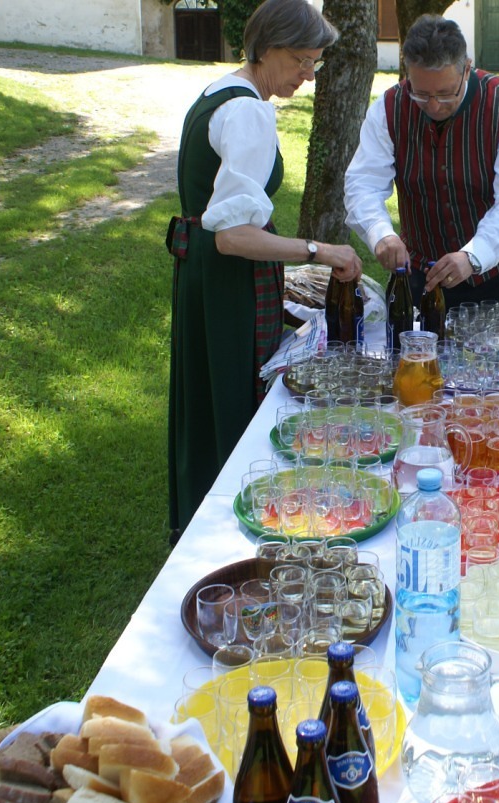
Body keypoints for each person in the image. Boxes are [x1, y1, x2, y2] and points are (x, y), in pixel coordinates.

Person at [167, 0, 361, 537]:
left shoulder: (219, 92)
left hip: (203, 275)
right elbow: (233, 236)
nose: (308, 75)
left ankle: (203, 523)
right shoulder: (247, 111)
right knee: (231, 401)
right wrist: (321, 251)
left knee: (207, 398)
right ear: (267, 48)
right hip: (228, 281)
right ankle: (229, 528)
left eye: (315, 63)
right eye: (301, 60)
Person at [344, 14, 499, 312]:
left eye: (446, 93)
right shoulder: (389, 108)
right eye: (421, 94)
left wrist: (474, 255)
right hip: (422, 276)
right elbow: (363, 183)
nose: (434, 105)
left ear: (467, 69)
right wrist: (380, 233)